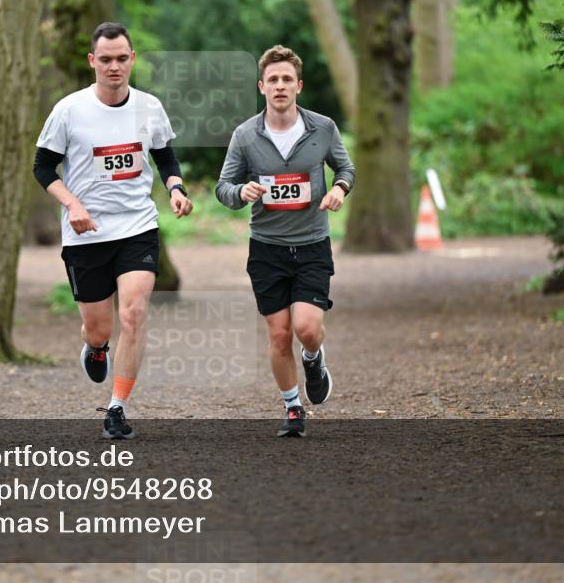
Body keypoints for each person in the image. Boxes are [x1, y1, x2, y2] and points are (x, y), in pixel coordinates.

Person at [33, 22, 192, 439]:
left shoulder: (149, 107)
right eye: (106, 59)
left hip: (137, 226)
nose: (114, 66)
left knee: (135, 313)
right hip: (86, 233)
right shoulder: (69, 110)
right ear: (92, 62)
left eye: (122, 58)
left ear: (132, 59)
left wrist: (175, 189)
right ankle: (96, 346)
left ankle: (116, 408)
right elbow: (42, 168)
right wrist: (73, 204)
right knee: (100, 326)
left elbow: (166, 158)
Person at [216, 45, 354, 437]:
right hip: (266, 248)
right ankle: (293, 407)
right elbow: (223, 187)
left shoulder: (322, 128)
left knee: (307, 328)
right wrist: (239, 193)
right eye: (273, 80)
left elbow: (345, 166)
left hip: (311, 243)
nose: (280, 86)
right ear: (262, 87)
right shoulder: (245, 135)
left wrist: (340, 189)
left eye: (287, 79)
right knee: (278, 334)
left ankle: (313, 358)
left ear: (299, 86)